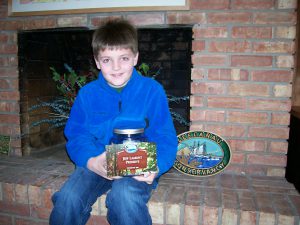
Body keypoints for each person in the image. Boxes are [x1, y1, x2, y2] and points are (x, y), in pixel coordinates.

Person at [49, 18, 178, 225]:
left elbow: (165, 136)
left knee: (124, 197)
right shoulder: (87, 94)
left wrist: (157, 166)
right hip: (97, 162)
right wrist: (91, 161)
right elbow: (77, 135)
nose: (116, 67)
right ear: (97, 62)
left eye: (124, 58)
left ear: (135, 58)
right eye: (107, 60)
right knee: (68, 199)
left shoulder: (152, 91)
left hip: (137, 165)